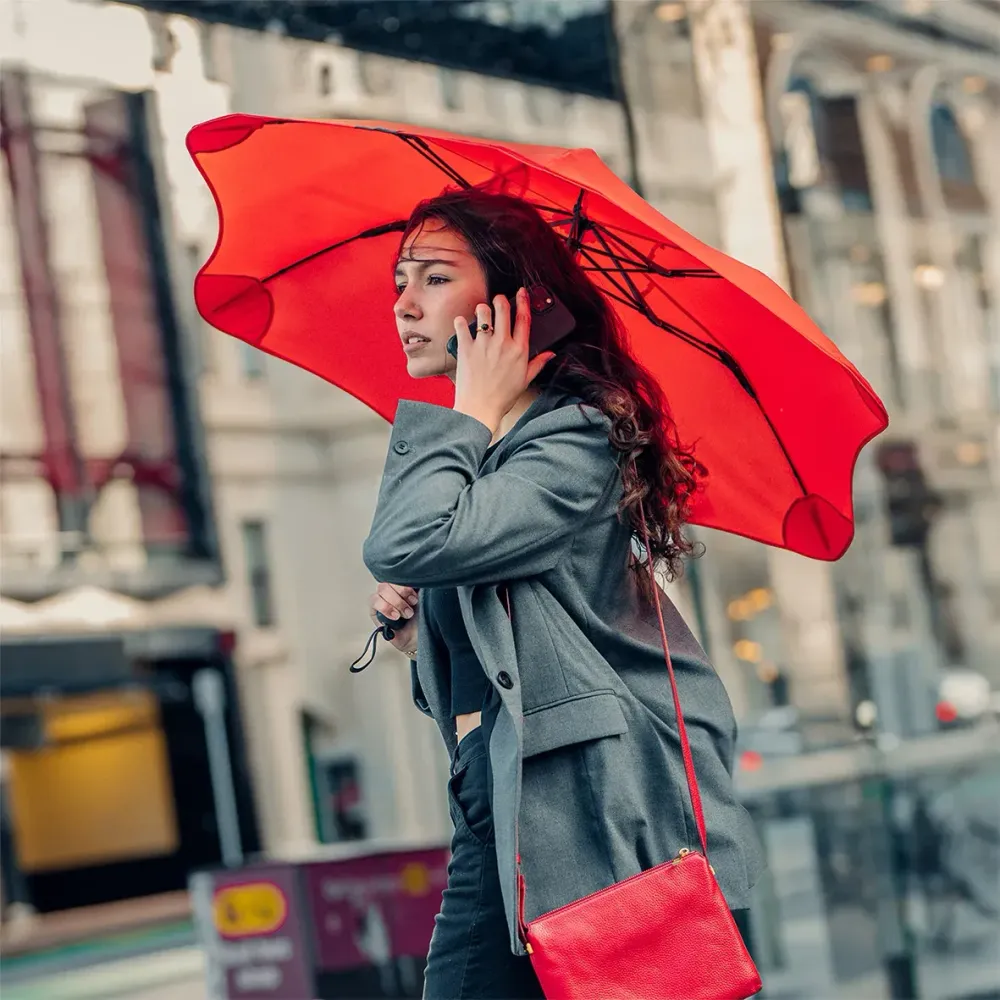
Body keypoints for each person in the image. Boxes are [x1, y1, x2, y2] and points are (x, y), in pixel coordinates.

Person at [363, 188, 764, 999]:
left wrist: (470, 407)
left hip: (579, 803)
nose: (404, 303)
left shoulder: (576, 436)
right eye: (401, 279)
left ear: (515, 303)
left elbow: (404, 539)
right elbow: (483, 664)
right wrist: (421, 633)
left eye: (434, 279)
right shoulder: (490, 456)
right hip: (498, 793)